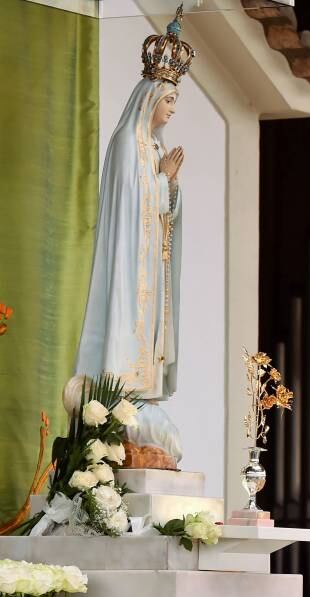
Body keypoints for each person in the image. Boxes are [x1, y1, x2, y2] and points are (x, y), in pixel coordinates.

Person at [74, 6, 195, 462]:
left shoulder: (155, 147)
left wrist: (172, 187)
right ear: (149, 98)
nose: (171, 111)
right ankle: (115, 401)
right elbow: (130, 207)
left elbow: (162, 210)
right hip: (129, 265)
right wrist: (162, 181)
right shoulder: (128, 143)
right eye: (168, 102)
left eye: (175, 104)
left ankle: (136, 403)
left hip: (149, 269)